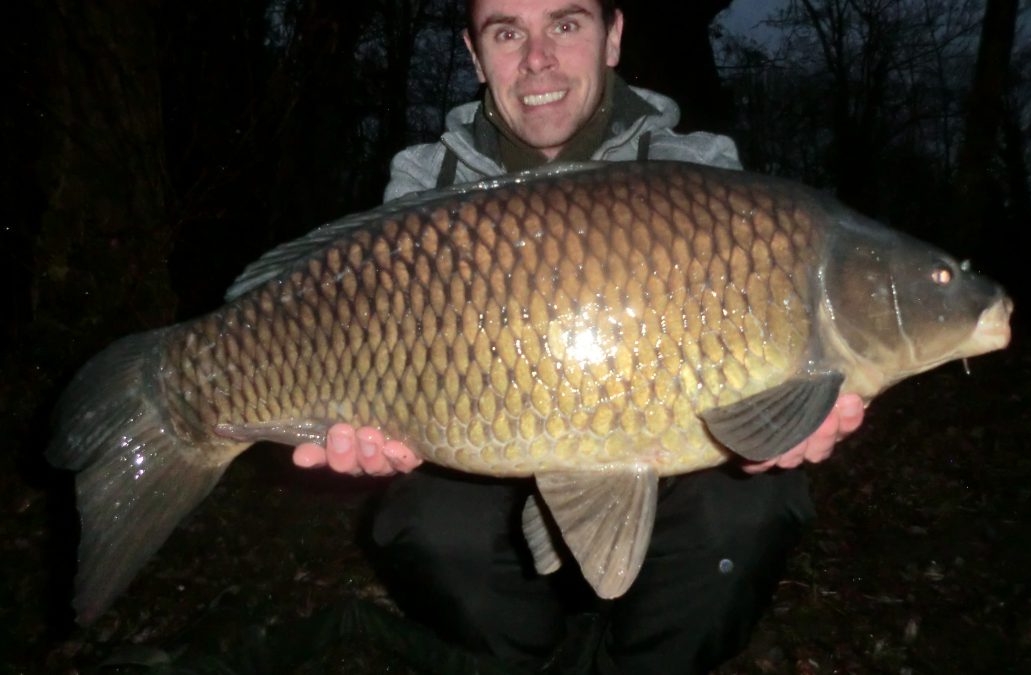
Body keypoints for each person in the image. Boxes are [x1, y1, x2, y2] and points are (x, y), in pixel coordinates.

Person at [293, 1, 865, 672]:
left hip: (660, 492)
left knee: (751, 505)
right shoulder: (427, 185)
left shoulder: (698, 171)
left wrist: (806, 402)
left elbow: (782, 356)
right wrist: (364, 426)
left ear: (613, 36)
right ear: (476, 55)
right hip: (490, 471)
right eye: (508, 32)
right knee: (425, 527)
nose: (539, 57)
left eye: (566, 25)